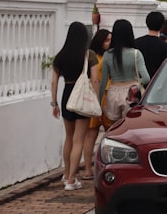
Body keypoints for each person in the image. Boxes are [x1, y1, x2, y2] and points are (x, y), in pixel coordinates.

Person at [50, 21, 97, 190]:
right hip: (82, 97)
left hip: (66, 96)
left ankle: (66, 173)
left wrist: (54, 103)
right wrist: (96, 98)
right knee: (79, 139)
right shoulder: (88, 55)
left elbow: (54, 82)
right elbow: (95, 79)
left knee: (69, 137)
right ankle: (71, 180)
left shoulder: (60, 56)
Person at [100, 19, 151, 127]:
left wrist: (99, 101)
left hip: (113, 93)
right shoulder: (136, 54)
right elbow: (146, 78)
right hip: (131, 93)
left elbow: (103, 82)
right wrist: (136, 82)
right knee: (130, 127)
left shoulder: (107, 55)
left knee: (115, 128)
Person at [80, 28, 111, 179]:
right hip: (98, 97)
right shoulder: (97, 57)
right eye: (107, 40)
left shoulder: (103, 56)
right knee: (92, 135)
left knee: (103, 134)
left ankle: (94, 168)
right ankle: (88, 168)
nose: (109, 43)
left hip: (103, 97)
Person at [134, 10, 167, 77]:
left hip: (139, 81)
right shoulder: (164, 46)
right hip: (156, 83)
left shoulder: (136, 42)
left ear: (147, 23)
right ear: (162, 26)